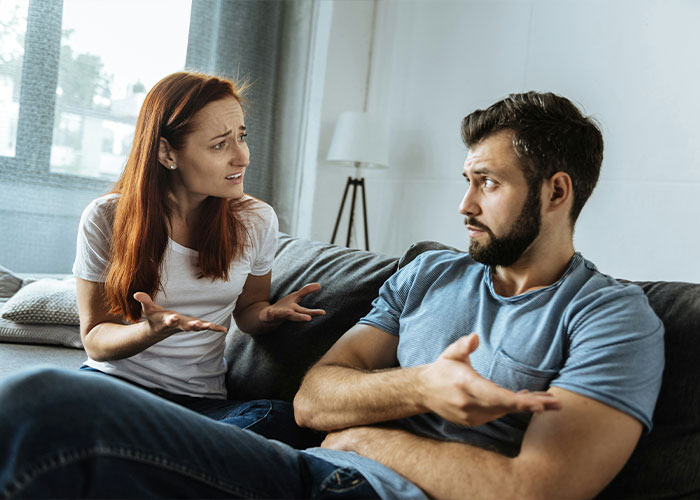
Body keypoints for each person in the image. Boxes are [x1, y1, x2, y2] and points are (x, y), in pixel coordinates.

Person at [0, 91, 664, 500]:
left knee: (47, 405)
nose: (463, 204)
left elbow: (535, 490)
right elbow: (316, 398)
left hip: (350, 481)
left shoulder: (611, 318)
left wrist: (367, 440)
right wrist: (420, 388)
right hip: (302, 470)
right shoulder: (430, 275)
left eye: (486, 183)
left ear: (555, 192)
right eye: (465, 179)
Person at [72, 71, 324, 442]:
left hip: (199, 405)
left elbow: (248, 312)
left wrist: (268, 314)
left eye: (242, 136)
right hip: (114, 389)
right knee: (39, 398)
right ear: (166, 153)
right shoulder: (106, 217)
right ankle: (171, 455)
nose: (242, 157)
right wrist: (149, 331)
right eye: (220, 145)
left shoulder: (255, 220)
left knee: (278, 417)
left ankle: (150, 451)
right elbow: (95, 337)